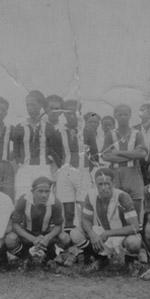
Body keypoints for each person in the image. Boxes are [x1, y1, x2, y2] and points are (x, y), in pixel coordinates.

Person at [69, 168, 143, 275]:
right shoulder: (91, 195)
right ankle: (99, 259)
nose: (104, 188)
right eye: (100, 184)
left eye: (107, 184)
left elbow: (134, 227)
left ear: (113, 183)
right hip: (102, 233)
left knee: (134, 242)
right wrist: (92, 234)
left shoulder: (122, 196)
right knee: (75, 234)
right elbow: (85, 219)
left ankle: (130, 262)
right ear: (95, 184)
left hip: (120, 234)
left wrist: (108, 233)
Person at [6, 176, 66, 271]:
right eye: (40, 191)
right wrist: (33, 239)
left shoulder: (55, 202)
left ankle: (47, 258)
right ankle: (25, 258)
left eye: (47, 191)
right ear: (32, 192)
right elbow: (15, 224)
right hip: (27, 236)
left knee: (65, 237)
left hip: (45, 237)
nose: (44, 195)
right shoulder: (24, 200)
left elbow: (58, 226)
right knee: (10, 239)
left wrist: (47, 238)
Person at [12, 90, 63, 200]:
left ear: (40, 105)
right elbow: (15, 152)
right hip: (25, 170)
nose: (29, 108)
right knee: (22, 201)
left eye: (33, 104)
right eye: (27, 105)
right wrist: (19, 168)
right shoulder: (19, 127)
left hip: (43, 169)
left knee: (45, 202)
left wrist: (53, 170)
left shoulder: (49, 128)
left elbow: (56, 152)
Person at [56, 99, 97, 231]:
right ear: (64, 114)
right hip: (66, 173)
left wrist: (85, 170)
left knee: (85, 208)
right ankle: (69, 236)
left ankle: (88, 236)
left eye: (74, 112)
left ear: (79, 112)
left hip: (83, 172)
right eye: (68, 113)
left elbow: (94, 154)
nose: (72, 116)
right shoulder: (59, 131)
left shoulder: (88, 130)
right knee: (68, 210)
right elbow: (56, 152)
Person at [101, 104, 147, 217]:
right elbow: (105, 155)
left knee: (135, 206)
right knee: (117, 207)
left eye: (125, 114)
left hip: (133, 173)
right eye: (120, 114)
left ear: (130, 115)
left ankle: (136, 227)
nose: (123, 117)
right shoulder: (110, 134)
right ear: (115, 116)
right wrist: (132, 155)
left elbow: (142, 153)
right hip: (115, 173)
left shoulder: (137, 134)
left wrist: (118, 152)